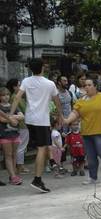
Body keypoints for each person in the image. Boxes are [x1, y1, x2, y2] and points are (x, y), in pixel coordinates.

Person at [11, 58, 63, 193]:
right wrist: (61, 116)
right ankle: (37, 179)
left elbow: (17, 97)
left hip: (29, 120)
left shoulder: (26, 81)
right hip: (41, 121)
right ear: (43, 68)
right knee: (42, 148)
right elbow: (57, 102)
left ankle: (47, 167)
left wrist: (11, 114)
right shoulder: (50, 83)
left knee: (44, 147)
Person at [0, 87, 24, 185]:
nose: (6, 97)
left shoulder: (13, 106)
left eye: (7, 95)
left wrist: (11, 117)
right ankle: (13, 176)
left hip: (15, 133)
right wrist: (13, 119)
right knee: (8, 155)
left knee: (14, 155)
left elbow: (22, 116)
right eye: (3, 95)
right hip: (5, 134)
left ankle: (13, 175)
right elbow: (1, 119)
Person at [7, 79, 30, 174]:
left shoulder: (18, 96)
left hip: (24, 123)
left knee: (21, 146)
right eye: (19, 85)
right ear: (14, 87)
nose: (21, 87)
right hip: (21, 124)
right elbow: (21, 111)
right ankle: (20, 166)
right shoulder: (14, 97)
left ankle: (20, 165)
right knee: (21, 146)